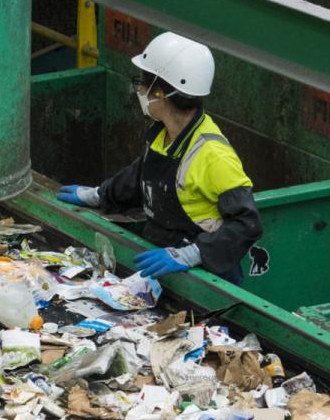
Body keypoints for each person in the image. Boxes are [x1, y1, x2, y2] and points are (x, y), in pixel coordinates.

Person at [57, 32, 264, 283]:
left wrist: (192, 254)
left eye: (142, 84)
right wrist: (99, 195)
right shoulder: (162, 135)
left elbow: (247, 224)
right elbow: (139, 178)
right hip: (161, 261)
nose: (139, 91)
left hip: (205, 276)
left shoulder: (213, 155)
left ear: (160, 93)